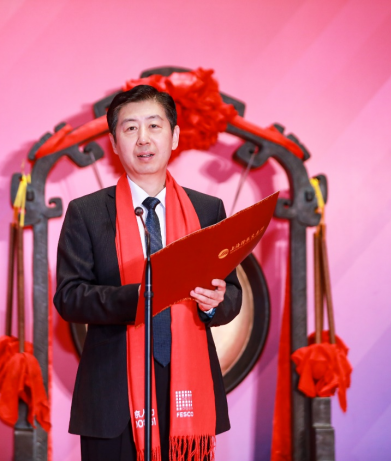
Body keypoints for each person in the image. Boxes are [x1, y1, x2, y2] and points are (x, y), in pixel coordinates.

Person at [53, 84, 242, 461]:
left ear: (174, 137)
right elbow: (69, 297)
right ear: (114, 142)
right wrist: (141, 297)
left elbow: (232, 295)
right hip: (113, 393)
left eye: (155, 126)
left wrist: (213, 302)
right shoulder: (86, 212)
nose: (143, 138)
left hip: (187, 387)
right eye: (130, 128)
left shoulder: (207, 210)